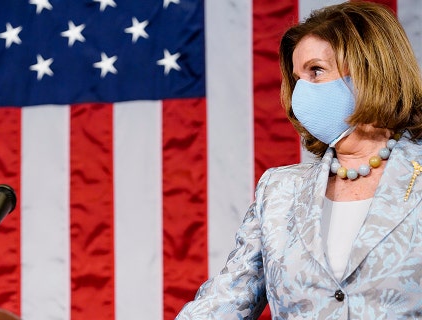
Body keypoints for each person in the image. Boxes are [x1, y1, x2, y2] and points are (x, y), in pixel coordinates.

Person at [176, 1, 422, 319]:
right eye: (297, 79)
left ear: (370, 71)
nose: (300, 93)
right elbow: (226, 301)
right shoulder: (279, 190)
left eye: (316, 71)